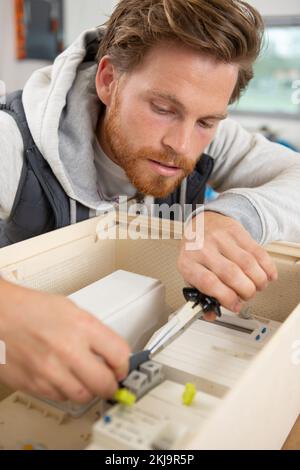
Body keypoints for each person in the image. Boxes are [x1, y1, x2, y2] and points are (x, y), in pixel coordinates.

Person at [0, 0, 299, 403]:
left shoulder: (207, 133)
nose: (181, 145)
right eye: (162, 108)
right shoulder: (11, 141)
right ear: (108, 80)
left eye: (206, 122)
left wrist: (232, 216)